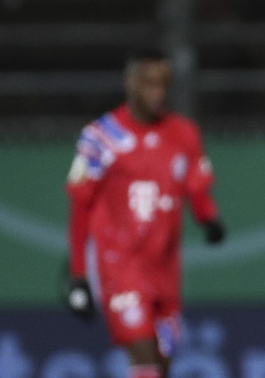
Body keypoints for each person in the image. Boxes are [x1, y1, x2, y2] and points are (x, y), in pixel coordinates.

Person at [63, 48, 226, 378]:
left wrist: (209, 219)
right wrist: (78, 275)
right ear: (130, 83)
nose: (157, 92)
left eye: (162, 84)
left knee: (163, 363)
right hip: (119, 263)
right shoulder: (102, 138)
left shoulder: (184, 134)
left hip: (164, 268)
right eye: (148, 84)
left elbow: (196, 186)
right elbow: (80, 208)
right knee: (144, 355)